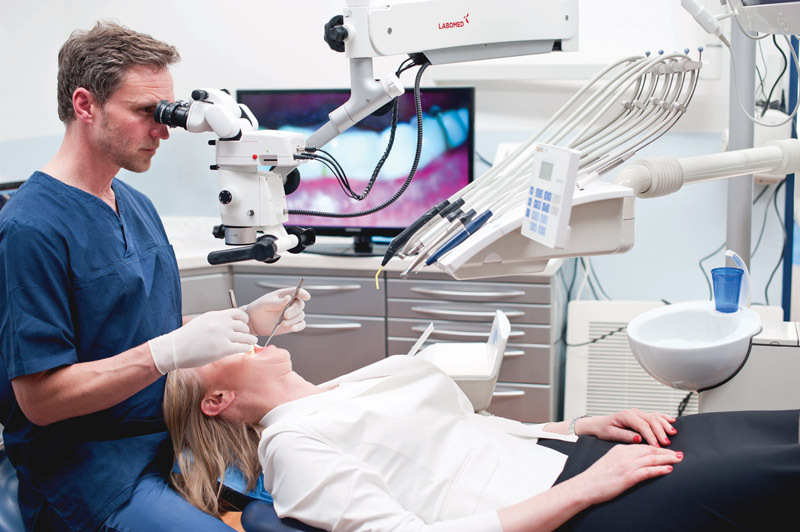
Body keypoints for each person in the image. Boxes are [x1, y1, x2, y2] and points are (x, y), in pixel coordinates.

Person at [0, 22, 310, 532]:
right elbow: (40, 400)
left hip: (167, 441)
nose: (164, 130)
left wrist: (242, 321)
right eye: (147, 112)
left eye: (168, 112)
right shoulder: (31, 229)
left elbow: (136, 329)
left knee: (310, 497)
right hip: (89, 471)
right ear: (85, 105)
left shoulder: (136, 204)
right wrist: (166, 353)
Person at [164, 345, 800, 532]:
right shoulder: (291, 445)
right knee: (780, 474)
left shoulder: (339, 388)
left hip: (571, 460)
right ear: (217, 402)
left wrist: (572, 428)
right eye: (216, 344)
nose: (239, 333)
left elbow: (462, 431)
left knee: (780, 430)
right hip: (567, 506)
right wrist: (586, 489)